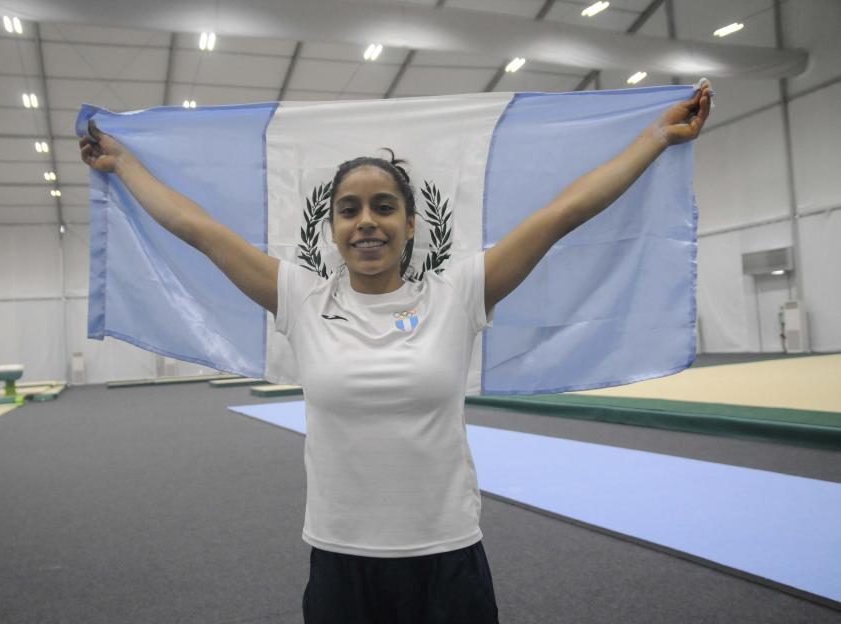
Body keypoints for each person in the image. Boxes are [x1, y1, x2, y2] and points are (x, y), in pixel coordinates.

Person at [80, 82, 712, 624]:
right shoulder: (299, 296)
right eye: (349, 210)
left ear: (413, 223)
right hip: (341, 558)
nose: (367, 222)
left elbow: (561, 214)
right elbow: (201, 229)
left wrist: (655, 137)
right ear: (330, 229)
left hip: (446, 555)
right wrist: (123, 166)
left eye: (385, 207)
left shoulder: (459, 292)